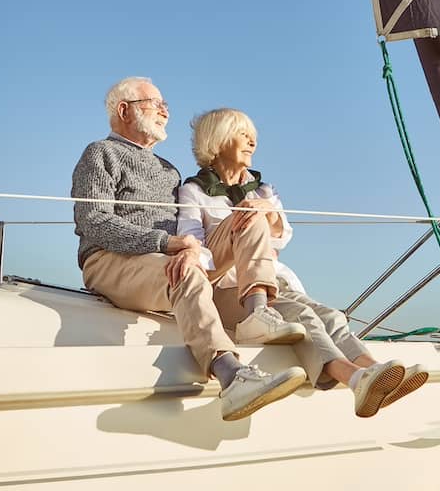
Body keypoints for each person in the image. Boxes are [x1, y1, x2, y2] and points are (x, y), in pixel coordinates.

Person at [72, 77, 308, 422]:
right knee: (187, 271)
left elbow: (187, 231)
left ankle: (263, 318)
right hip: (111, 260)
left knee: (242, 224)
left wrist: (187, 248)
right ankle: (232, 377)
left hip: (167, 259)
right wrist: (167, 244)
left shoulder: (170, 171)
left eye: (166, 104)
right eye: (155, 103)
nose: (165, 111)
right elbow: (93, 220)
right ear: (124, 110)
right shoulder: (100, 153)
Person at [177, 108, 429, 418]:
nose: (252, 141)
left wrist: (267, 210)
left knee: (332, 316)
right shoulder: (192, 191)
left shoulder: (265, 191)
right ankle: (353, 379)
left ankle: (374, 372)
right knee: (304, 316)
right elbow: (193, 249)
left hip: (271, 282)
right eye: (243, 133)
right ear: (217, 140)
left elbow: (282, 239)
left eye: (253, 135)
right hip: (224, 290)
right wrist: (239, 232)